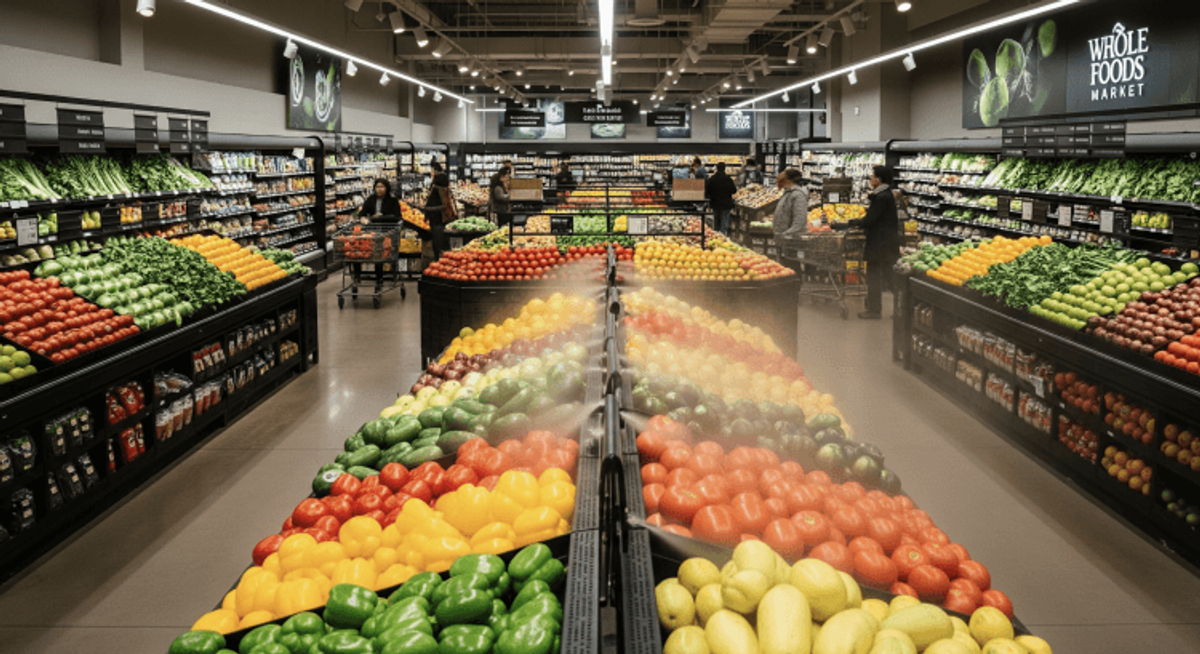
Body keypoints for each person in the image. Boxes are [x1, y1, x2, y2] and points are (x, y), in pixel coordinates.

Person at [834, 165, 901, 320]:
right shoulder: (884, 194)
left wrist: (848, 223)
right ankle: (898, 311)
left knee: (874, 276)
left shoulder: (881, 196)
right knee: (889, 277)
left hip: (880, 243)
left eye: (872, 176)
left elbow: (870, 220)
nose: (870, 178)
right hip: (886, 242)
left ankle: (875, 310)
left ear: (878, 180)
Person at [353, 178, 402, 290]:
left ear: (387, 188)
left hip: (387, 233)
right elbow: (362, 213)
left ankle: (379, 281)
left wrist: (381, 217)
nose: (379, 189)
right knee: (357, 253)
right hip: (372, 233)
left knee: (378, 255)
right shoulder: (370, 199)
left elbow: (397, 217)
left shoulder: (392, 200)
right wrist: (363, 218)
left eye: (382, 187)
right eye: (377, 187)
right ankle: (356, 278)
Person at [425, 172, 458, 259]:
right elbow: (429, 207)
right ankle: (442, 257)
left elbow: (428, 207)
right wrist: (443, 208)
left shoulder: (438, 190)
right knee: (442, 241)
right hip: (441, 220)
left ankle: (439, 258)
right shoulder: (441, 191)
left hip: (437, 220)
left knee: (438, 241)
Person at [773, 168, 808, 242]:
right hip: (784, 239)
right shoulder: (788, 193)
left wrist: (786, 234)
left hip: (792, 241)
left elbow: (799, 221)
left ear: (788, 180)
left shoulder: (798, 195)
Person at [705, 162, 738, 234]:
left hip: (715, 204)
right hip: (726, 204)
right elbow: (734, 190)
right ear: (724, 169)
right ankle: (723, 238)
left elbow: (707, 191)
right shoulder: (728, 179)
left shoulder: (712, 179)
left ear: (716, 168)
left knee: (716, 223)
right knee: (724, 223)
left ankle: (716, 237)